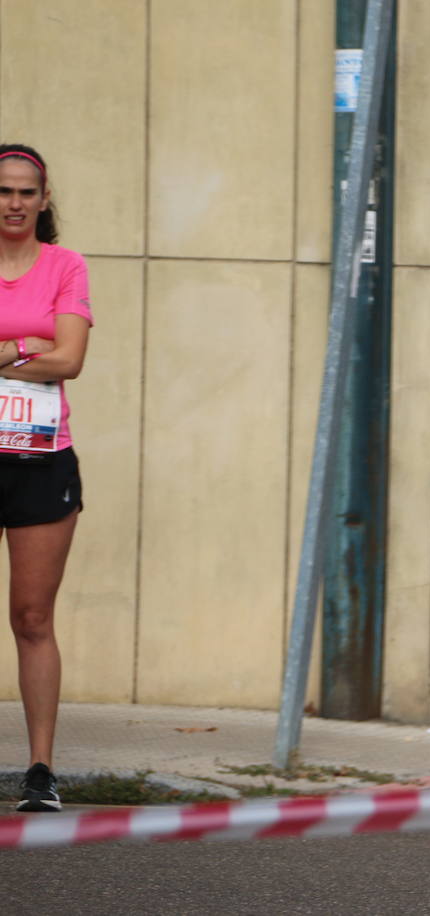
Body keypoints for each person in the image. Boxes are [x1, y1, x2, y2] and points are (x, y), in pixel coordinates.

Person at [0, 144, 93, 813]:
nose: (13, 203)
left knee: (32, 617)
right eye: (3, 191)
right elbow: (51, 350)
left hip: (40, 460)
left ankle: (39, 770)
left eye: (26, 192)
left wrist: (8, 350)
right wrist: (34, 350)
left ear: (44, 197)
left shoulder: (65, 266)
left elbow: (71, 359)